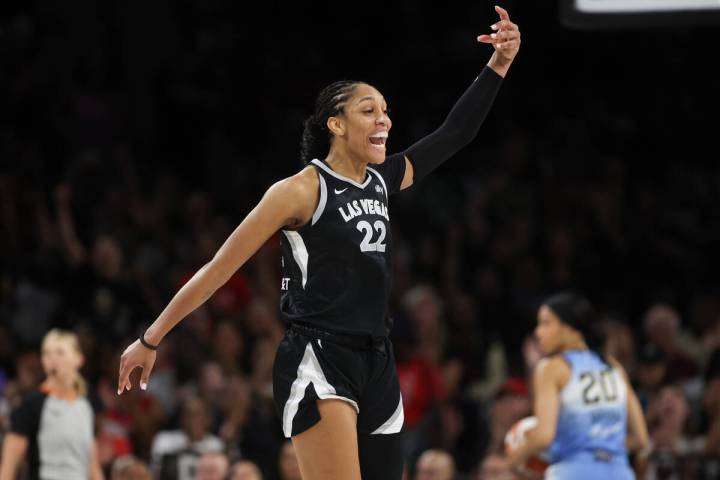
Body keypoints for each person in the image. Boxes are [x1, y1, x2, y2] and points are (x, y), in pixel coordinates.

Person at [117, 6, 521, 479]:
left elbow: (456, 133)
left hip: (378, 357)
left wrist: (498, 66)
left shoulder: (382, 180)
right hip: (319, 356)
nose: (384, 121)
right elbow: (219, 268)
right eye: (369, 111)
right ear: (336, 123)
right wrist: (151, 337)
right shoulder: (301, 189)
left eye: (386, 112)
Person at [506, 292, 649, 479]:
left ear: (570, 327)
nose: (538, 332)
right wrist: (601, 448)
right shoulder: (613, 367)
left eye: (546, 323)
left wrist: (511, 460)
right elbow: (641, 439)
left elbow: (543, 436)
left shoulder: (551, 367)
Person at [0, 329, 104, 480]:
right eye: (47, 353)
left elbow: (92, 466)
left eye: (60, 352)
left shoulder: (86, 406)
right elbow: (8, 467)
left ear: (78, 359)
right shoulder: (31, 404)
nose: (53, 359)